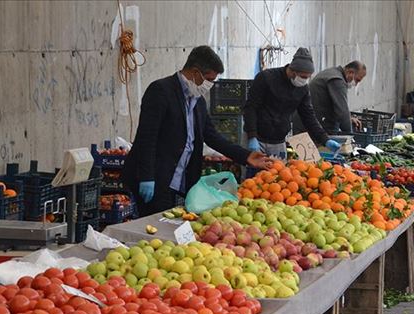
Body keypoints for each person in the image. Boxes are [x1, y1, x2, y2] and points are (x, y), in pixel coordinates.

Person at [124, 46, 272, 216]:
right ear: (195, 72)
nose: (210, 85)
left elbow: (212, 136)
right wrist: (147, 177)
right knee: (153, 227)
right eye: (209, 79)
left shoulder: (198, 101)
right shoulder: (161, 91)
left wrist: (245, 156)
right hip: (157, 177)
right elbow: (147, 137)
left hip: (179, 179)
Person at [243, 47, 340, 165]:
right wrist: (252, 136)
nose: (305, 81)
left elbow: (308, 116)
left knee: (276, 180)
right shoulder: (266, 78)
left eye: (308, 77)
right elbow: (251, 107)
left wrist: (325, 139)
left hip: (278, 142)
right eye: (303, 77)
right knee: (251, 179)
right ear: (293, 71)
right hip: (257, 138)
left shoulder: (303, 89)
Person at [296, 61, 367, 134]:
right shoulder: (337, 80)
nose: (356, 84)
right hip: (310, 127)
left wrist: (349, 119)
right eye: (357, 80)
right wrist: (350, 136)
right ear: (350, 72)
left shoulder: (332, 73)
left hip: (308, 123)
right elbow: (342, 111)